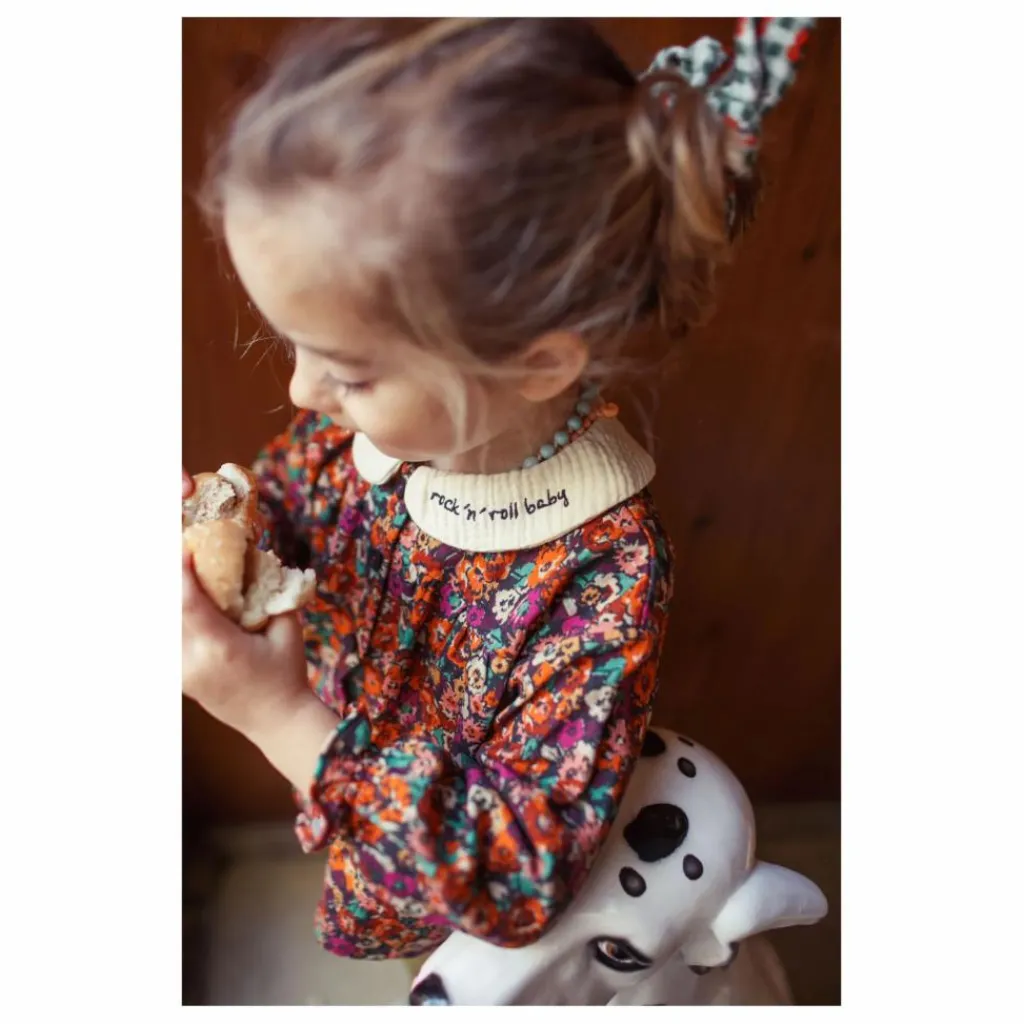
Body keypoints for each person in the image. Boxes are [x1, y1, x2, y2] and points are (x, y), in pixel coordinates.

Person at [182, 17, 813, 962]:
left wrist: (277, 717)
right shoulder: (364, 436)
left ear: (537, 366)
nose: (302, 392)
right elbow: (292, 504)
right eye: (293, 345)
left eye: (347, 370)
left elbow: (519, 875)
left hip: (450, 892)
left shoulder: (602, 577)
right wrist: (230, 543)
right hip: (350, 786)